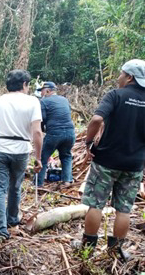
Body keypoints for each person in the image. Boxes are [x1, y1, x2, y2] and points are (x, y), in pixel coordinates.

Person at [73, 59, 145, 259]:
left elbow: (97, 119)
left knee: (96, 204)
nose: (119, 78)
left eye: (121, 74)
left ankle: (87, 247)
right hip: (134, 164)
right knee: (124, 208)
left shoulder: (116, 95)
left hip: (106, 160)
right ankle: (116, 251)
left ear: (129, 77)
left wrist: (88, 142)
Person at [0, 69, 43, 242]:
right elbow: (37, 132)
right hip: (21, 150)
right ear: (24, 84)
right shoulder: (33, 102)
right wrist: (38, 157)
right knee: (15, 187)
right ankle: (12, 219)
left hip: (0, 147)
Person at [37, 81, 75, 186]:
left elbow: (41, 119)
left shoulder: (44, 102)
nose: (41, 94)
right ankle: (67, 181)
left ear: (48, 90)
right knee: (66, 155)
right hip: (70, 132)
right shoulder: (64, 100)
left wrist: (41, 131)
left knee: (43, 158)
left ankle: (38, 183)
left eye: (42, 91)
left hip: (55, 133)